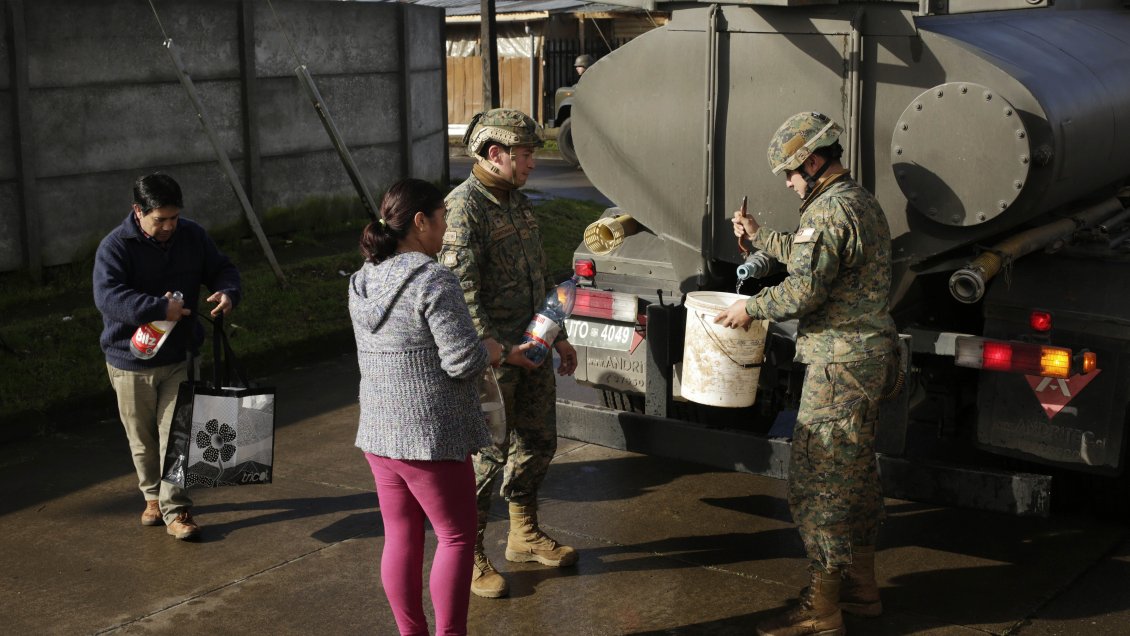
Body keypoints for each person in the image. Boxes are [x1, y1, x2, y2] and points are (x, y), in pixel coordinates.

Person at [714, 112, 898, 636]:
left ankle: (822, 608)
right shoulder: (856, 201)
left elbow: (803, 290)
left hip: (838, 368)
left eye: (791, 173)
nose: (790, 182)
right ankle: (860, 591)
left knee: (819, 484)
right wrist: (759, 236)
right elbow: (810, 256)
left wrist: (750, 309)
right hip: (865, 360)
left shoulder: (829, 212)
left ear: (813, 161)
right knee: (856, 478)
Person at [349, 178, 531, 636]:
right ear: (419, 221)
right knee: (455, 538)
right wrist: (490, 348)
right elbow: (462, 361)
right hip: (431, 437)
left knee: (401, 536)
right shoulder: (433, 279)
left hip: (379, 432)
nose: (447, 227)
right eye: (443, 218)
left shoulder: (361, 280)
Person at [440, 108, 580, 599]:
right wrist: (500, 354)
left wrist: (555, 335)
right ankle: (470, 555)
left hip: (534, 350)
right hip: (495, 362)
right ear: (494, 154)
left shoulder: (517, 203)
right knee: (485, 458)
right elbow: (460, 292)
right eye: (525, 155)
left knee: (539, 443)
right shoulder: (464, 207)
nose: (532, 163)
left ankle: (523, 534)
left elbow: (539, 277)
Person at [94, 172, 241, 541]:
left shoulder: (192, 235)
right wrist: (159, 308)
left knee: (179, 435)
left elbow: (221, 267)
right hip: (130, 362)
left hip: (181, 356)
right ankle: (152, 497)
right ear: (138, 211)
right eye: (160, 219)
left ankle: (177, 508)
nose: (169, 227)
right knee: (142, 441)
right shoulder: (115, 247)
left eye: (174, 218)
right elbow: (108, 297)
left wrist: (227, 291)